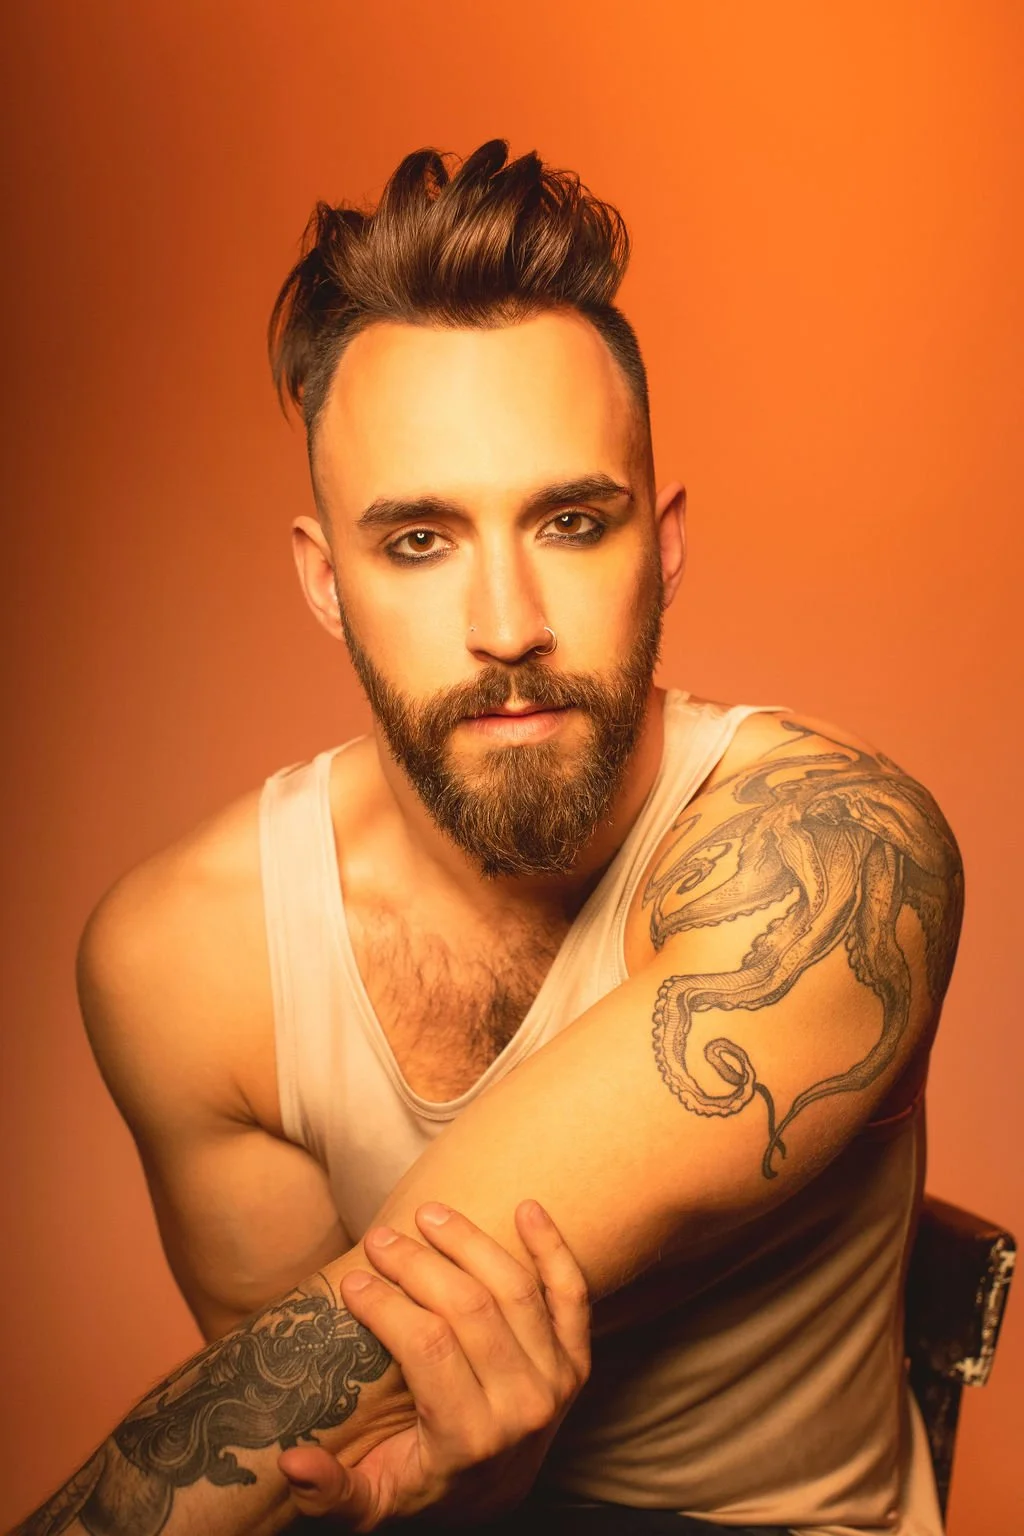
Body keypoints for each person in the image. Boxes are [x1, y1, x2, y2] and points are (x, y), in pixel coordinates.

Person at [12, 140, 963, 1536]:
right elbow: (318, 1477)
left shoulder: (829, 852)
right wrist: (450, 1495)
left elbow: (303, 1407)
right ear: (324, 582)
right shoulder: (188, 964)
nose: (508, 626)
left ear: (664, 547)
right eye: (419, 542)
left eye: (572, 522)